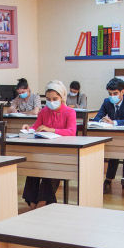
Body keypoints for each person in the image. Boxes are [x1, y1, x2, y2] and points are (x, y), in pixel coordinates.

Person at [20, 81, 77, 209]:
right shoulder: (44, 111)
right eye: (48, 99)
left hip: (62, 153)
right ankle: (31, 199)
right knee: (33, 166)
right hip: (44, 151)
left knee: (49, 166)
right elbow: (36, 127)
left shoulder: (69, 112)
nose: (51, 102)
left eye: (55, 99)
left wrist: (52, 130)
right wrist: (28, 129)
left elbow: (71, 131)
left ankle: (44, 200)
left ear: (62, 98)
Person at [93, 77, 124, 190]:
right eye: (110, 93)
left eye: (115, 93)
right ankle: (95, 180)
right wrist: (100, 121)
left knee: (114, 152)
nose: (112, 96)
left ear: (123, 91)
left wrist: (114, 122)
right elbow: (97, 117)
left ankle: (108, 179)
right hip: (110, 135)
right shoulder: (107, 101)